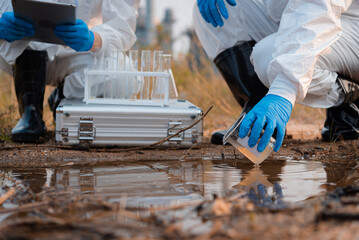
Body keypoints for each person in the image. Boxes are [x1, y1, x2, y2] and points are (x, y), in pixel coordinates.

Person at [193, 0, 359, 152]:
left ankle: (351, 99)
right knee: (218, 6)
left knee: (268, 57)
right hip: (293, 15)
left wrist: (283, 90)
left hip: (345, 21)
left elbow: (317, 8)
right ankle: (260, 122)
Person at [0, 0, 140, 143]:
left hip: (77, 52)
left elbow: (123, 28)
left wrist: (94, 39)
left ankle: (64, 100)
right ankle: (30, 110)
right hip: (18, 51)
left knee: (124, 78)